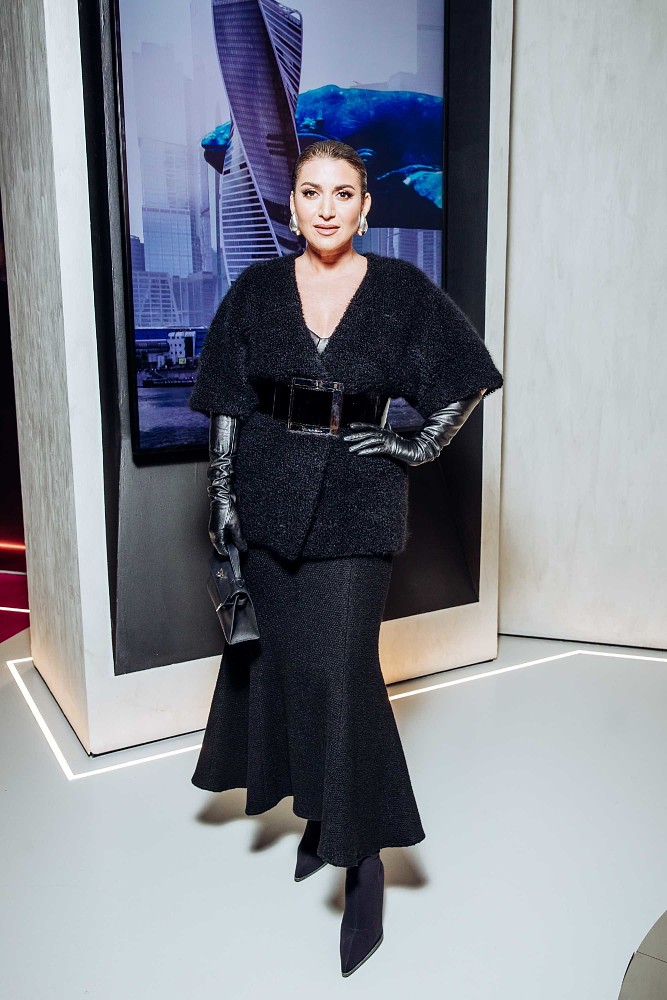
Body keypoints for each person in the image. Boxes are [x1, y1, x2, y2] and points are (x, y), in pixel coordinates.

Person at [189, 139, 503, 977]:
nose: (325, 207)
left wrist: (419, 443)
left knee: (342, 674)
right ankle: (321, 817)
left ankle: (363, 860)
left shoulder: (400, 290)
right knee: (289, 667)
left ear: (365, 207)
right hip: (265, 496)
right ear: (291, 205)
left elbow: (465, 376)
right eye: (309, 191)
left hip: (359, 505)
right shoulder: (256, 289)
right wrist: (221, 495)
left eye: (342, 193)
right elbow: (226, 402)